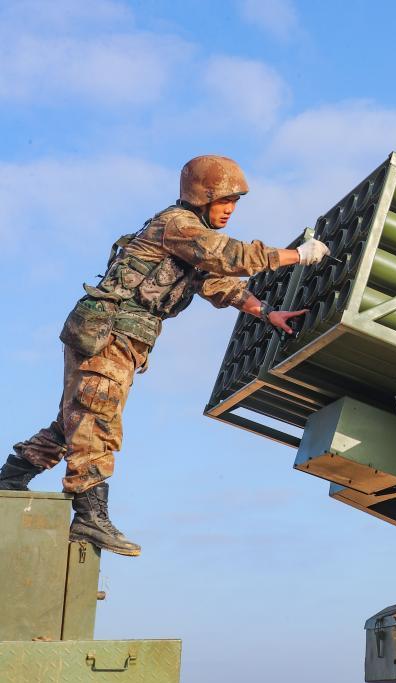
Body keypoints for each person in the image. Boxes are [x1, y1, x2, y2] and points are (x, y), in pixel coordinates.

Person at [0, 155, 329, 557]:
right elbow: (232, 258)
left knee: (77, 420)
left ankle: (9, 480)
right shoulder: (179, 225)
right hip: (109, 334)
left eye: (235, 202)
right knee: (96, 417)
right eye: (224, 200)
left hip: (118, 336)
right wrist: (298, 255)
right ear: (202, 197)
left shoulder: (192, 239)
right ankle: (88, 516)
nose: (230, 209)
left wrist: (265, 312)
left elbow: (219, 283)